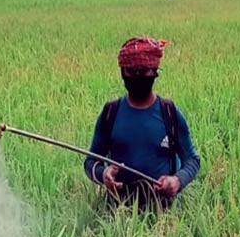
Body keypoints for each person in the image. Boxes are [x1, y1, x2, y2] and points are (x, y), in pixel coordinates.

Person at [84, 36, 200, 209]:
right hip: (119, 212)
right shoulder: (111, 112)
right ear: (122, 73)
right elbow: (90, 162)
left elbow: (192, 160)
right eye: (131, 72)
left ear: (155, 72)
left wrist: (177, 180)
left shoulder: (169, 112)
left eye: (144, 71)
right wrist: (103, 174)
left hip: (164, 212)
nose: (137, 76)